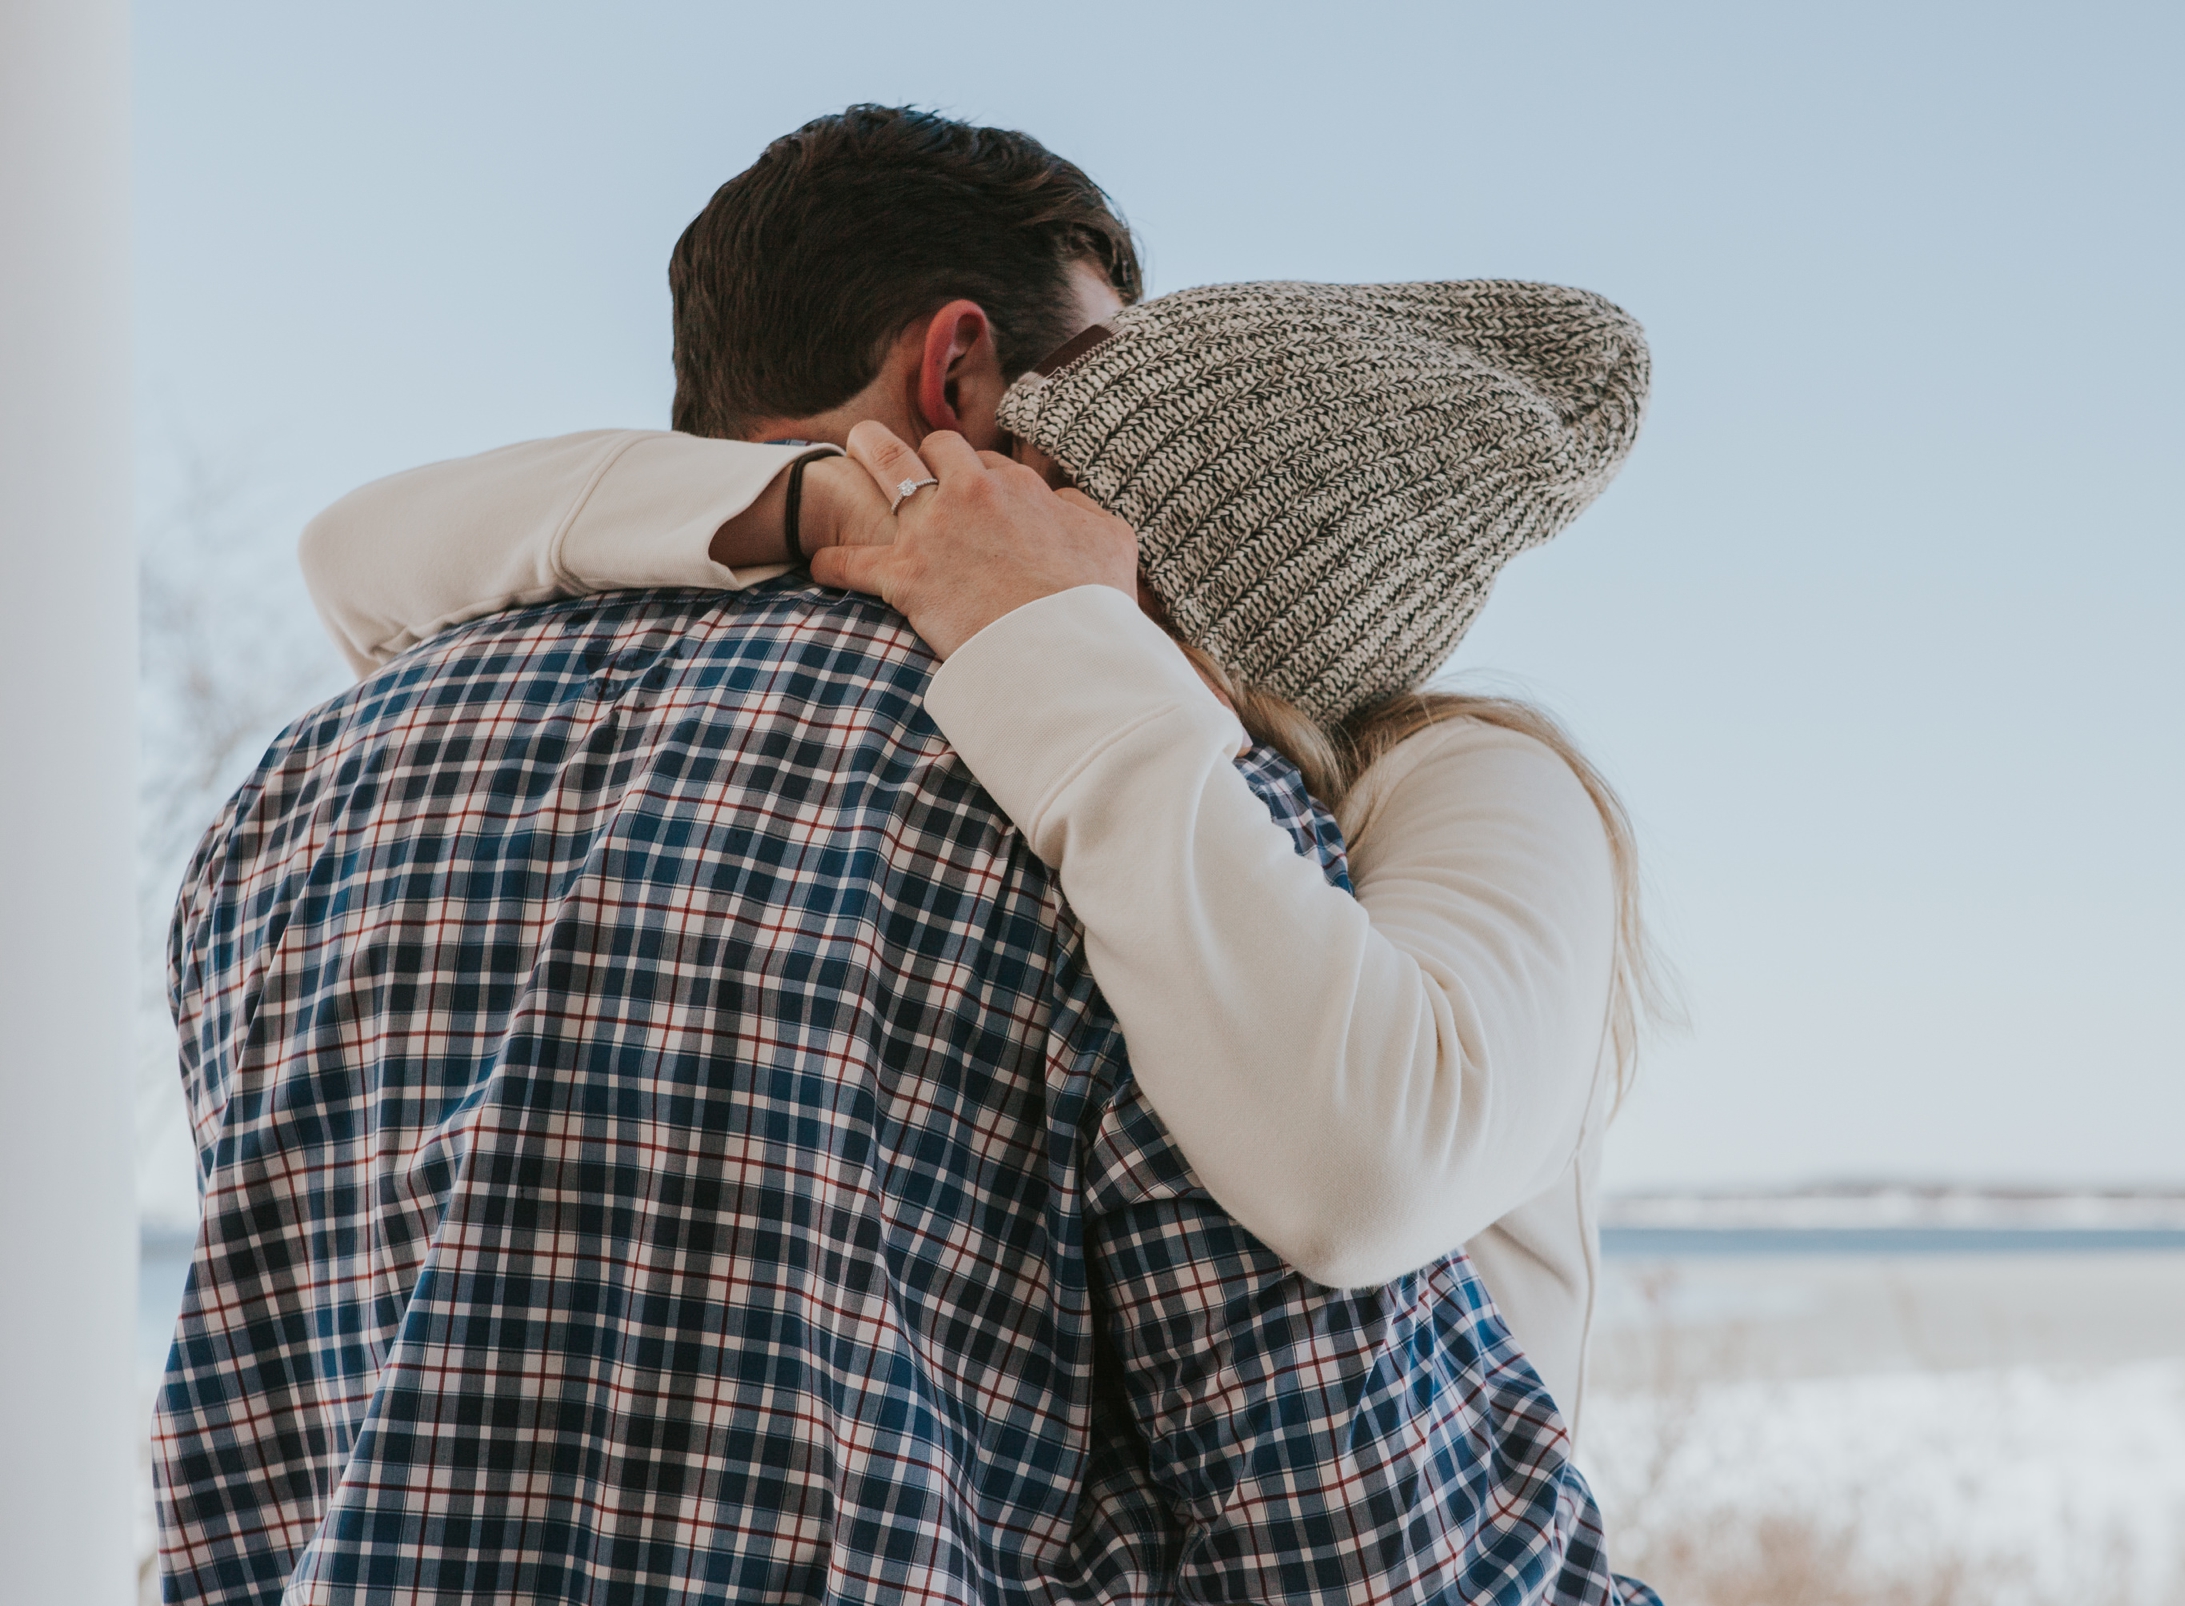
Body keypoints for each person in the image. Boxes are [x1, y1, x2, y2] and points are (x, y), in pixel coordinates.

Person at [155, 105, 1650, 1606]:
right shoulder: (1053, 776)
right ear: (960, 371)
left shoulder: (297, 793)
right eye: (1095, 381)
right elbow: (1330, 1482)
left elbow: (235, 1427)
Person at [303, 279, 1664, 1434]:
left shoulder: (1483, 782)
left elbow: (1363, 1173)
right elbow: (359, 560)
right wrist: (830, 500)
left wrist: (1054, 632)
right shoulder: (1006, 708)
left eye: (1033, 507)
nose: (971, 541)